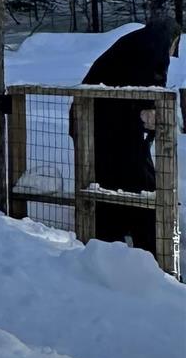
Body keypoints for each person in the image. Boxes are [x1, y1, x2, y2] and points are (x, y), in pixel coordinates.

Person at [76, 19, 180, 249]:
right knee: (138, 181)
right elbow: (153, 79)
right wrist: (153, 105)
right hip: (106, 124)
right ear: (172, 39)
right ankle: (151, 249)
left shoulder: (135, 43)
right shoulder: (155, 44)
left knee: (109, 178)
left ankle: (111, 242)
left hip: (96, 120)